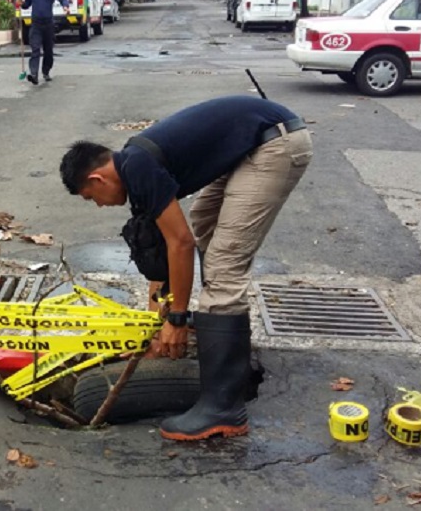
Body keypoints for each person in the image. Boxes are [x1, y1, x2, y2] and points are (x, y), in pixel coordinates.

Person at [59, 95, 313, 442]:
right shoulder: (133, 166)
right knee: (205, 220)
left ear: (97, 179)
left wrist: (176, 318)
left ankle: (223, 410)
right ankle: (219, 324)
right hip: (256, 142)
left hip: (275, 144)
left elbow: (181, 244)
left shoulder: (138, 167)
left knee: (225, 262)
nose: (98, 205)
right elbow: (161, 258)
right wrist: (153, 327)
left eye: (91, 197)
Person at [19, 0, 69, 85]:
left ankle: (46, 71)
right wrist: (21, 3)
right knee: (35, 49)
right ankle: (34, 74)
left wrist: (65, 7)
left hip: (48, 25)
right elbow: (27, 5)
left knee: (48, 51)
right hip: (36, 24)